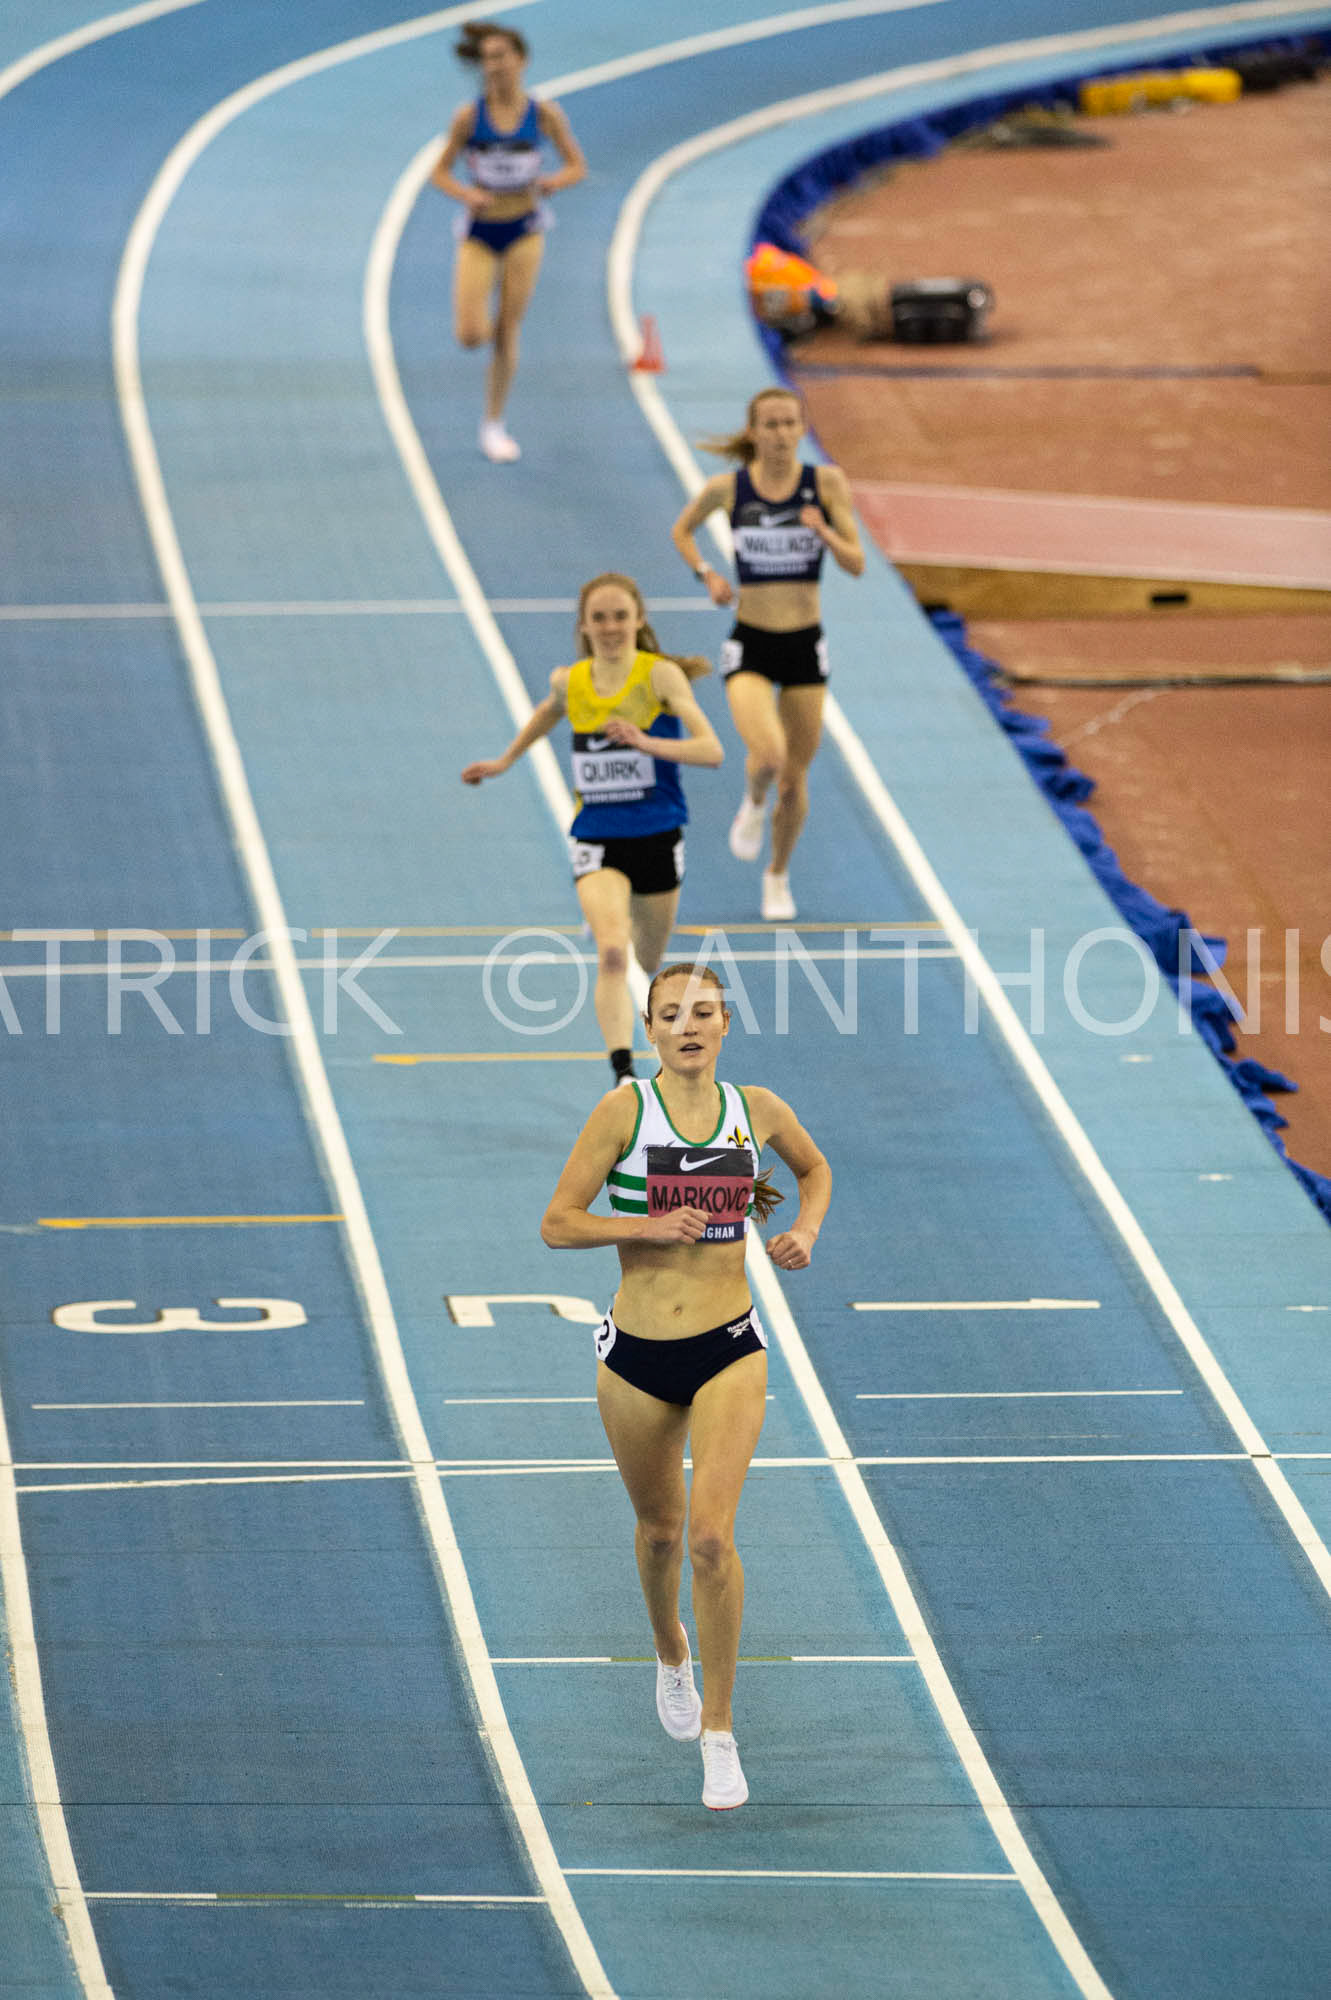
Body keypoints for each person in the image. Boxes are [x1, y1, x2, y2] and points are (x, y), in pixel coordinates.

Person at [540, 960, 831, 1810]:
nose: (688, 1026)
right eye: (670, 1014)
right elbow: (557, 1223)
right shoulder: (623, 1111)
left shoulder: (757, 1109)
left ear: (725, 1024)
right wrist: (646, 1223)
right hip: (636, 1355)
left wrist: (806, 1231)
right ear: (651, 1030)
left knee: (709, 1539)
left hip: (728, 1347)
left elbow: (813, 1170)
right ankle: (670, 1651)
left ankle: (720, 1732)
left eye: (703, 1012)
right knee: (660, 1532)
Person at [461, 574, 723, 1087]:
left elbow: (711, 751)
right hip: (597, 835)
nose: (610, 627)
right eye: (599, 618)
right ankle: (623, 1071)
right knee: (612, 951)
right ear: (583, 625)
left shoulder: (660, 677)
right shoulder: (571, 681)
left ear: (638, 619)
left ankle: (614, 921)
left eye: (620, 616)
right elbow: (547, 713)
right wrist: (504, 761)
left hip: (657, 834)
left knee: (648, 961)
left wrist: (645, 743)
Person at [670, 387, 865, 921]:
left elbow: (856, 563)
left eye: (789, 424)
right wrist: (707, 574)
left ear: (802, 429)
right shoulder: (729, 489)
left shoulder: (825, 484)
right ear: (752, 432)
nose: (780, 434)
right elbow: (682, 530)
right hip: (752, 643)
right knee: (770, 756)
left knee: (795, 779)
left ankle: (777, 874)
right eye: (770, 425)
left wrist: (823, 532)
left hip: (804, 646)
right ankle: (753, 802)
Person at [431, 20, 586, 462]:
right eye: (487, 59)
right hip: (480, 232)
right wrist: (466, 194)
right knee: (470, 335)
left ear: (522, 60)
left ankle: (493, 423)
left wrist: (554, 182)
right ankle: (482, 343)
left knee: (506, 330)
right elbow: (439, 172)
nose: (494, 66)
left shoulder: (544, 114)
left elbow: (577, 166)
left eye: (502, 56)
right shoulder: (469, 117)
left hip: (525, 229)